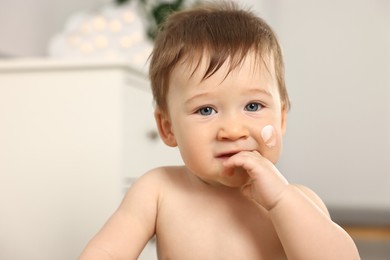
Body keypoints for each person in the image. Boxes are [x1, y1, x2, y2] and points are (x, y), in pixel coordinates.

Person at [79, 1, 360, 259]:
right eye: (206, 110)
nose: (233, 130)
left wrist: (280, 200)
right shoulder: (158, 190)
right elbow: (105, 251)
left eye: (253, 106)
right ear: (168, 129)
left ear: (281, 119)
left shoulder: (296, 200)